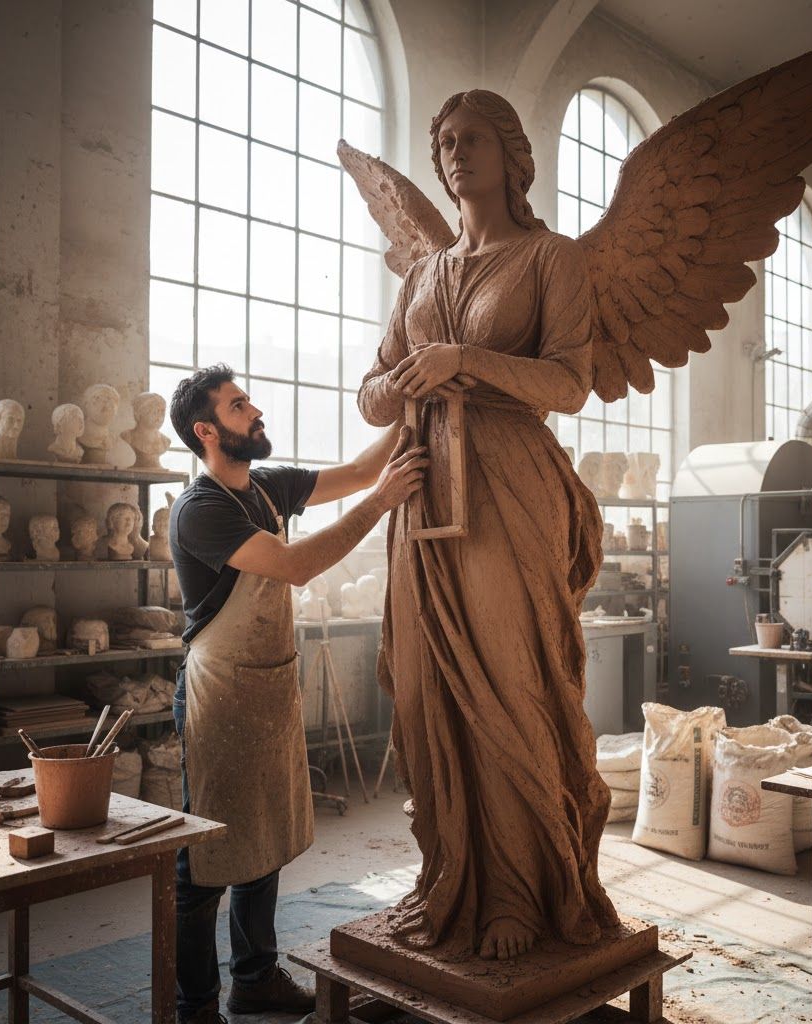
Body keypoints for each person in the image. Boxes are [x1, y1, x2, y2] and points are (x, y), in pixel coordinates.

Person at [356, 90, 617, 963]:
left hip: (509, 485)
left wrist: (465, 361)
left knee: (509, 684)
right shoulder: (422, 276)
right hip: (424, 491)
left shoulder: (552, 258)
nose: (455, 153)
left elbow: (570, 383)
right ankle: (447, 877)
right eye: (444, 143)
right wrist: (400, 386)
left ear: (512, 156)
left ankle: (516, 887)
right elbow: (370, 393)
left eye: (472, 140)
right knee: (428, 693)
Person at [168, 363, 427, 1022]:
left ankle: (253, 978)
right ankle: (194, 1004)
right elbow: (296, 564)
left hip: (268, 682)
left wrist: (418, 400)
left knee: (267, 836)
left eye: (249, 400)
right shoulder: (199, 509)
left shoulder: (265, 486)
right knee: (204, 858)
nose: (255, 411)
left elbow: (366, 469)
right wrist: (382, 504)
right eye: (237, 406)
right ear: (206, 430)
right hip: (217, 691)